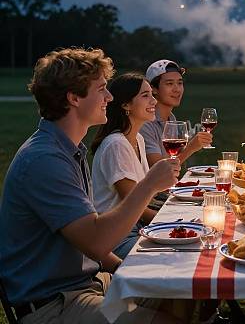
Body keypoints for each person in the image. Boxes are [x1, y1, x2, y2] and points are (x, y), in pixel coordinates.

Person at [0, 47, 191, 324]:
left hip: (87, 283)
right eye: (102, 89)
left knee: (180, 289)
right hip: (54, 304)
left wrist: (125, 268)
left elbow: (93, 246)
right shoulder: (45, 160)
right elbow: (97, 241)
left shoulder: (68, 150)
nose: (110, 97)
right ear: (74, 97)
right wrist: (149, 184)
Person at [91, 73, 158, 259]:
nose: (154, 101)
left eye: (152, 94)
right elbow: (135, 206)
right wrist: (170, 221)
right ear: (125, 105)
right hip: (117, 238)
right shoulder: (116, 144)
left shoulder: (138, 139)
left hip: (137, 228)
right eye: (145, 95)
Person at [140, 59, 212, 167]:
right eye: (169, 83)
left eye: (180, 83)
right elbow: (159, 169)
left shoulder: (171, 119)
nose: (177, 89)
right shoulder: (146, 124)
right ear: (153, 89)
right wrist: (191, 148)